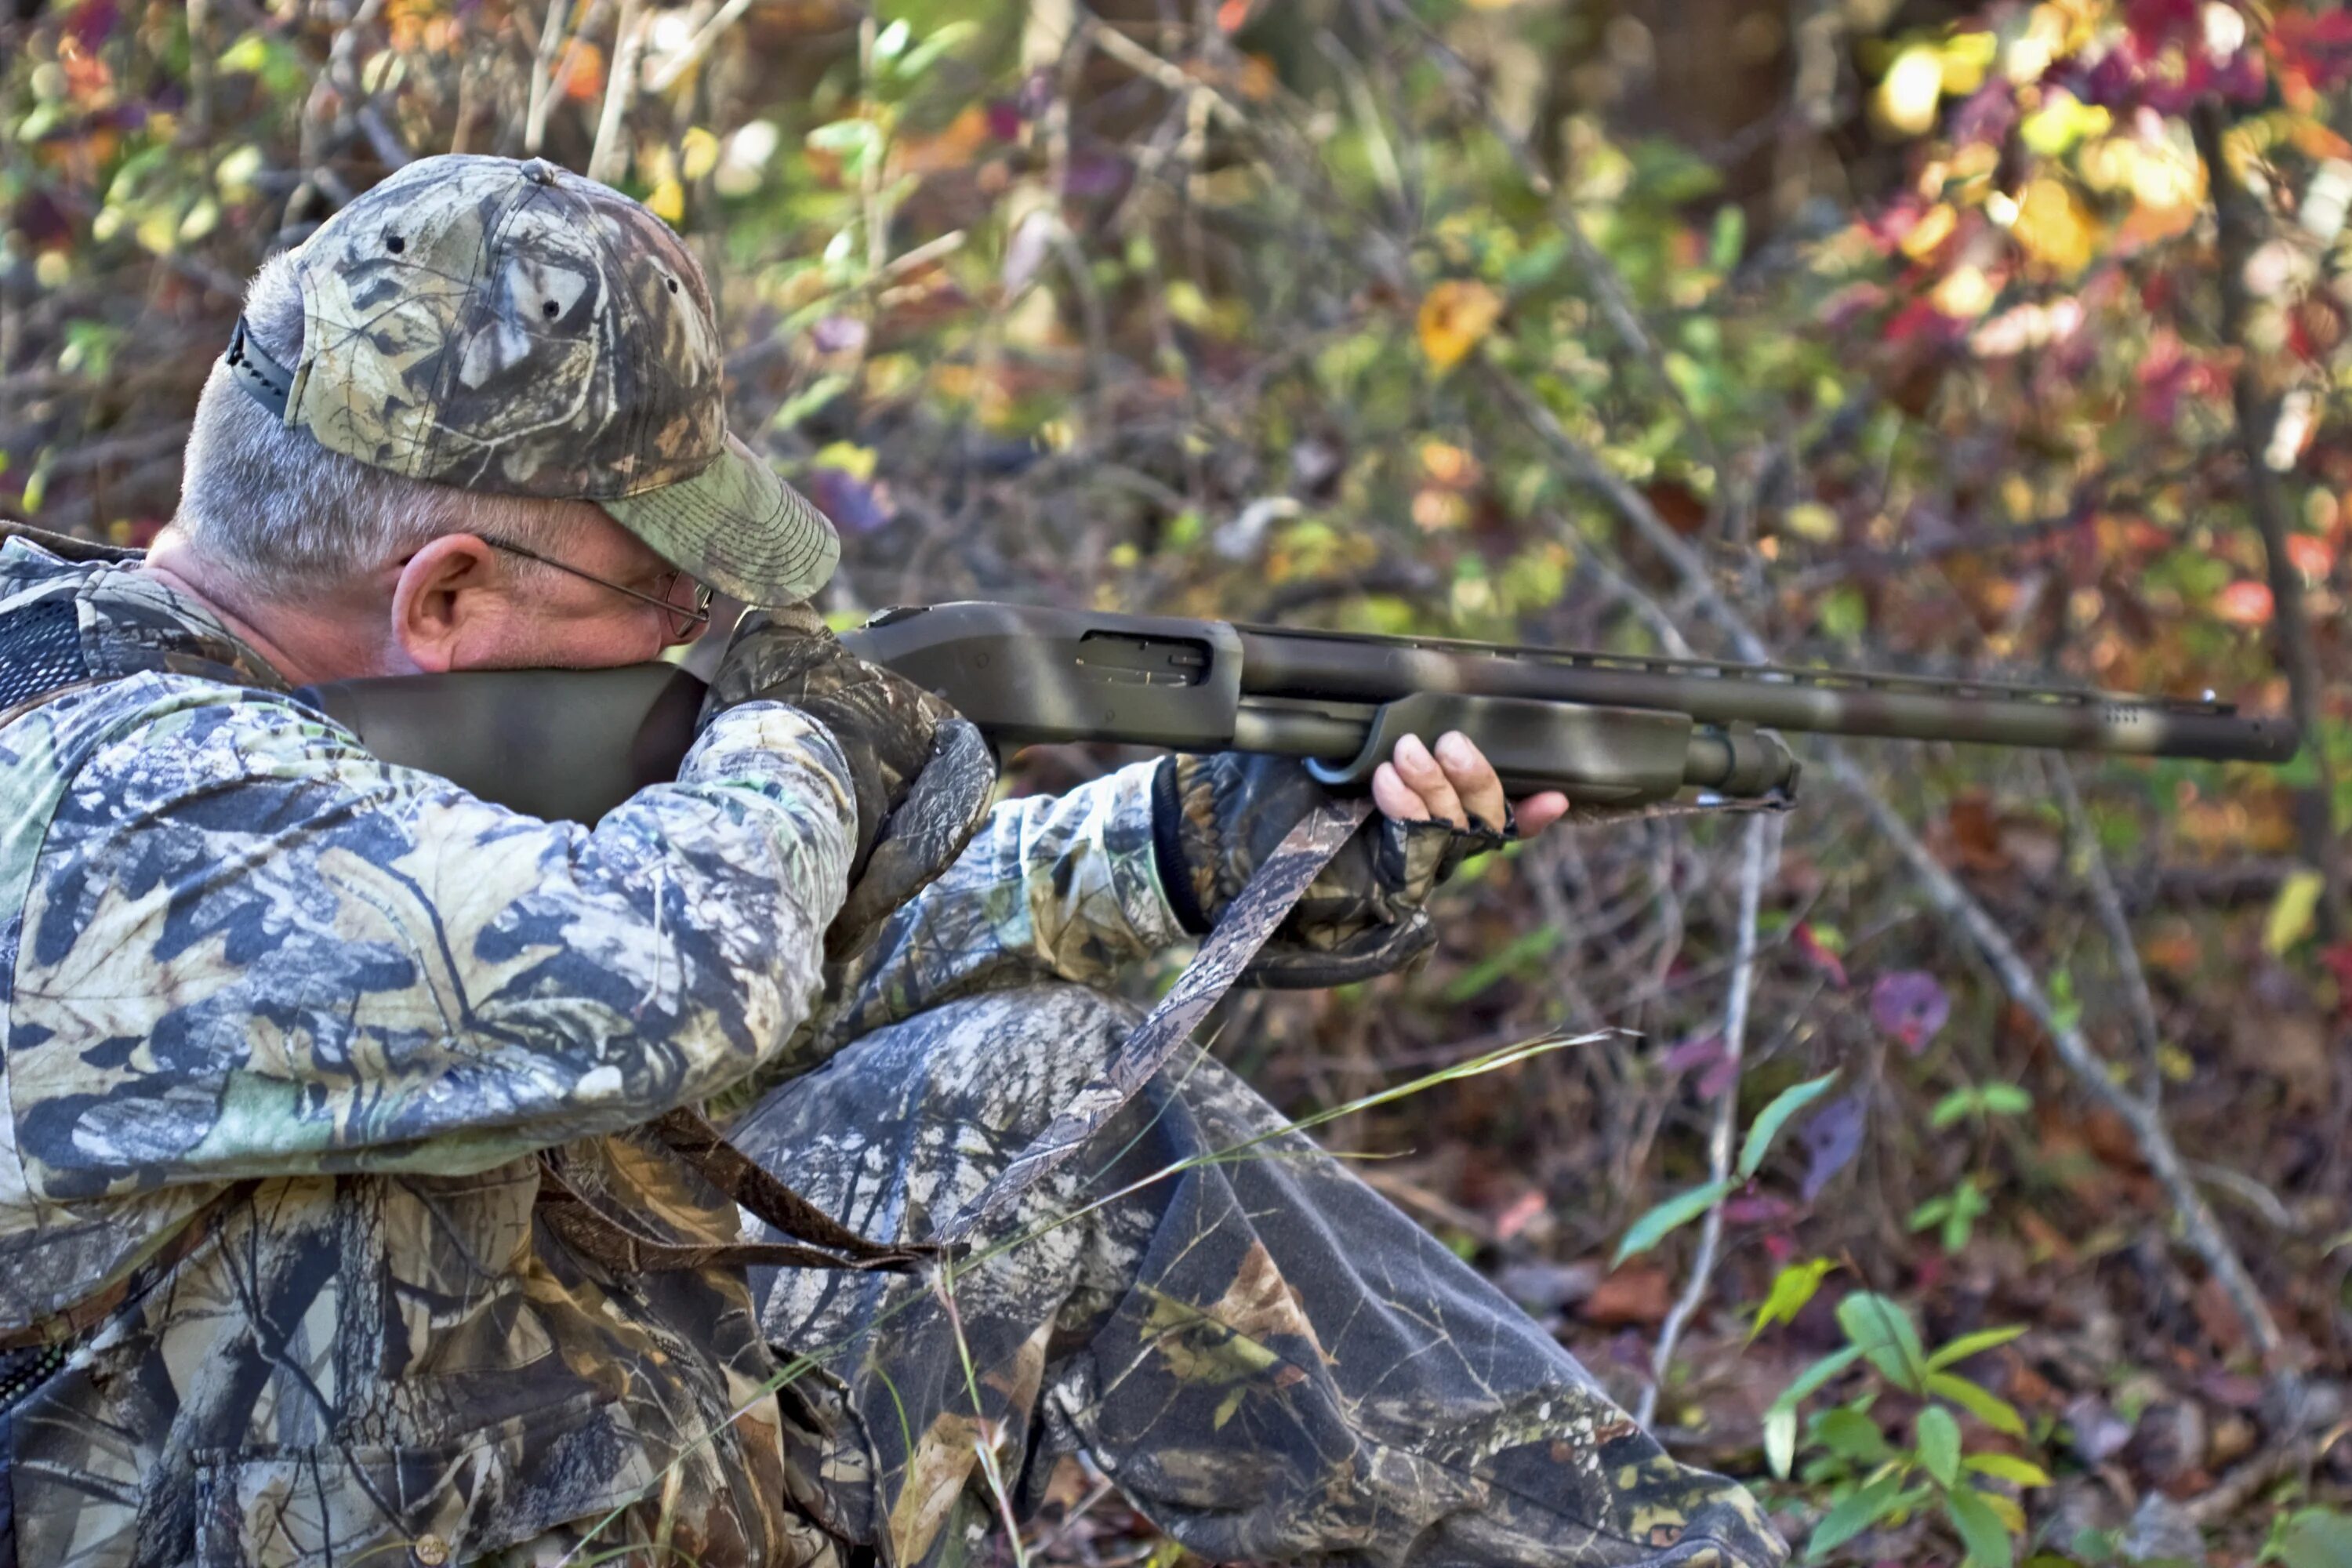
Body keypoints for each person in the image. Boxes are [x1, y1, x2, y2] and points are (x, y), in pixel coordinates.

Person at [0, 154, 1784, 1568]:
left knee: (1038, 1083)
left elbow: (760, 963)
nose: (714, 622)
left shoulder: (211, 711)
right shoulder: (147, 817)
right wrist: (806, 726)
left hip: (512, 1461)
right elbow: (675, 977)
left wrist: (1198, 846)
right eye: (665, 586)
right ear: (448, 596)